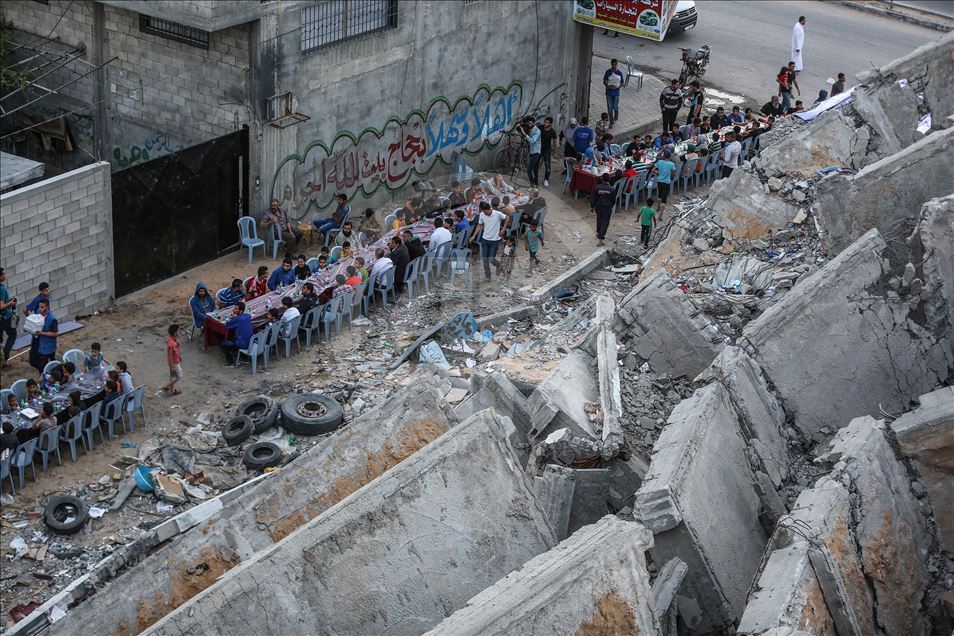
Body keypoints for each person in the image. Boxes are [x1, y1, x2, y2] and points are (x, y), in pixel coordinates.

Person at [470, 201, 509, 280]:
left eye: (486, 212)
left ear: (489, 209)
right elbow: (480, 225)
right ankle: (488, 276)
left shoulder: (497, 214)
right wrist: (473, 236)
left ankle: (499, 265)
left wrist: (503, 229)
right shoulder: (482, 214)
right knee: (485, 259)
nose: (485, 214)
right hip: (484, 239)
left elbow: (507, 218)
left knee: (491, 258)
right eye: (484, 212)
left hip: (494, 240)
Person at [28, 298, 57, 374]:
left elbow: (55, 334)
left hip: (47, 346)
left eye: (42, 307)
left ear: (47, 307)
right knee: (33, 361)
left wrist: (42, 333)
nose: (40, 309)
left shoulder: (52, 319)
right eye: (39, 307)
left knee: (44, 365)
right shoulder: (37, 312)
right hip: (36, 342)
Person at [590, 174, 615, 246]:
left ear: (602, 179)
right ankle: (600, 238)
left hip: (598, 207)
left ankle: (598, 233)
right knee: (605, 222)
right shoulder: (611, 189)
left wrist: (592, 207)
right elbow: (613, 200)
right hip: (607, 208)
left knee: (599, 219)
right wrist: (611, 206)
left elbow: (593, 198)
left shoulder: (597, 187)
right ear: (609, 179)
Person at [653, 150, 677, 217]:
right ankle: (661, 214)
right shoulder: (671, 164)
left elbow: (653, 170)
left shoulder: (659, 162)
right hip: (667, 182)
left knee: (659, 194)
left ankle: (658, 207)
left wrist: (658, 173)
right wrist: (670, 174)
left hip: (659, 181)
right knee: (664, 197)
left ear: (663, 156)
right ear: (670, 156)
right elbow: (674, 172)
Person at [0, 267, 17, 366]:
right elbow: (1, 306)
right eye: (2, 274)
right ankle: (6, 355)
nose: (4, 276)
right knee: (12, 335)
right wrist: (10, 303)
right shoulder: (1, 289)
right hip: (5, 317)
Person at [519, 115, 542, 186]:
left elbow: (532, 140)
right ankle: (536, 184)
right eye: (528, 123)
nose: (529, 125)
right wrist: (522, 133)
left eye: (530, 123)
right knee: (535, 169)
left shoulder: (537, 131)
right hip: (532, 151)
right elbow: (527, 140)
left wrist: (524, 133)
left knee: (529, 170)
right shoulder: (530, 130)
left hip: (536, 152)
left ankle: (532, 184)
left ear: (533, 123)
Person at [603, 59, 624, 128]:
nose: (614, 66)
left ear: (617, 64)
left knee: (615, 107)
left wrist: (617, 87)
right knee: (609, 108)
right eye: (613, 64)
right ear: (611, 64)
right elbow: (604, 81)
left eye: (615, 65)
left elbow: (622, 83)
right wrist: (608, 86)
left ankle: (616, 114)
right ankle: (611, 121)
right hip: (608, 92)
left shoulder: (619, 73)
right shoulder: (608, 72)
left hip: (616, 92)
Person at [162, 324, 182, 396]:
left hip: (173, 362)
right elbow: (170, 355)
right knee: (178, 376)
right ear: (175, 333)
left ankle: (171, 390)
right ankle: (166, 387)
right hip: (174, 363)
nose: (179, 332)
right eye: (178, 331)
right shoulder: (172, 343)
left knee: (173, 376)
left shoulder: (171, 340)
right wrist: (172, 365)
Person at [538, 116, 557, 187]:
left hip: (547, 150)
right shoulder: (540, 127)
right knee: (536, 163)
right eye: (545, 122)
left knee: (547, 166)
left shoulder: (552, 132)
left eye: (547, 122)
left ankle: (546, 179)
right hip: (539, 149)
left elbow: (555, 142)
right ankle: (534, 177)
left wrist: (555, 152)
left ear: (550, 124)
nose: (545, 124)